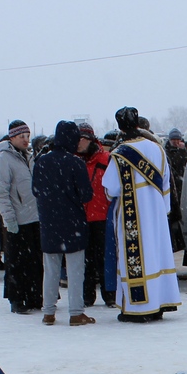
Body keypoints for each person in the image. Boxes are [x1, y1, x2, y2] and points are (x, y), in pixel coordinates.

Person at [103, 107, 181, 322]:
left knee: (137, 258)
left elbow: (111, 188)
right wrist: (161, 208)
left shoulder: (120, 153)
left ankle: (140, 308)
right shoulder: (156, 148)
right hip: (155, 212)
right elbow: (166, 182)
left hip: (133, 214)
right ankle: (160, 301)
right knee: (156, 255)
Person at [32, 120, 96, 326]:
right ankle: (76, 312)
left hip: (49, 222)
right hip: (73, 223)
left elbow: (35, 190)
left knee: (50, 269)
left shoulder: (41, 161)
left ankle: (48, 312)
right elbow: (87, 195)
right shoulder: (76, 163)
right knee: (76, 270)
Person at [0, 120, 42, 312]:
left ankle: (34, 295)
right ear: (12, 137)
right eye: (21, 136)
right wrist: (9, 218)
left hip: (34, 217)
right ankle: (17, 298)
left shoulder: (28, 157)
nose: (25, 140)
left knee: (34, 260)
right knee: (17, 261)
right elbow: (1, 192)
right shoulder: (4, 159)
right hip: (18, 219)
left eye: (27, 136)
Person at [75, 122, 112, 306]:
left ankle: (109, 293)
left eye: (81, 139)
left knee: (105, 258)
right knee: (85, 260)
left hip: (102, 216)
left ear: (90, 139)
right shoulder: (75, 160)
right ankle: (88, 295)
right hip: (82, 217)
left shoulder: (106, 159)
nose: (78, 143)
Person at [165, 128, 187, 253]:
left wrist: (182, 151)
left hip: (180, 187)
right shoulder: (166, 152)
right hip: (174, 188)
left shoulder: (183, 152)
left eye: (177, 139)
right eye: (173, 139)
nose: (175, 142)